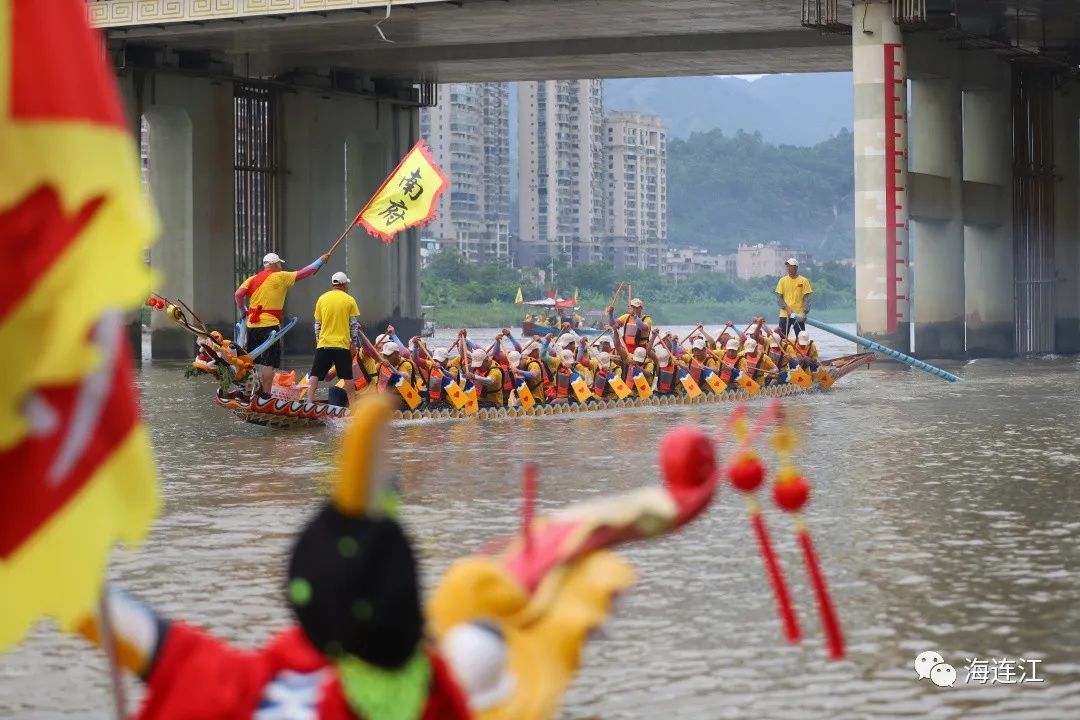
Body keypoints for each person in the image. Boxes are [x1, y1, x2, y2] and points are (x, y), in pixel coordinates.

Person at [235, 251, 328, 396]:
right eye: (279, 263)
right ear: (274, 264)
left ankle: (250, 391)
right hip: (269, 326)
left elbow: (238, 294)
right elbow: (304, 273)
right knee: (269, 363)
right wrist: (320, 261)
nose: (280, 265)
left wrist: (243, 309)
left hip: (252, 326)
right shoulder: (281, 276)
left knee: (253, 361)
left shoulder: (252, 279)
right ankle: (265, 395)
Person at [307, 272, 360, 406]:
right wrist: (353, 344)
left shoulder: (322, 298)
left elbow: (317, 324)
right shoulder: (350, 300)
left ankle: (309, 402)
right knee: (347, 376)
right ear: (344, 284)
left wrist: (319, 342)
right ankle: (353, 406)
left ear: (333, 284)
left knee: (315, 374)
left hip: (324, 344)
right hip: (342, 345)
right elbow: (353, 325)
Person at [775, 258, 813, 338]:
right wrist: (787, 308)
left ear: (796, 267)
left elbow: (808, 298)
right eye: (787, 266)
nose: (788, 268)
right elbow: (779, 298)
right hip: (785, 314)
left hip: (799, 315)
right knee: (782, 338)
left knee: (801, 337)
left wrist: (804, 312)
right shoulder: (782, 280)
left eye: (790, 266)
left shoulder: (804, 281)